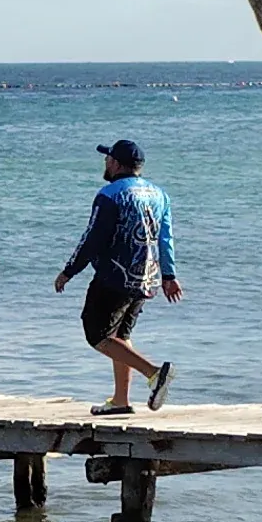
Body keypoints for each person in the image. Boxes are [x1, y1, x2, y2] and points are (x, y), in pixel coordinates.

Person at [54, 138, 182, 413]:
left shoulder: (110, 195)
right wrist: (169, 275)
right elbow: (166, 238)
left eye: (107, 158)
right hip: (147, 278)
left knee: (97, 334)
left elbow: (93, 239)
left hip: (115, 277)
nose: (105, 162)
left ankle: (154, 373)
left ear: (115, 163)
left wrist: (69, 271)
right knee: (120, 336)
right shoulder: (159, 194)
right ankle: (121, 401)